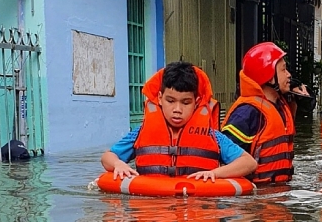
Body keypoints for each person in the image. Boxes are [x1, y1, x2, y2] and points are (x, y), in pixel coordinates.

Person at [101, 61, 257, 182]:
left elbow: (248, 163)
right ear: (160, 98)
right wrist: (118, 164)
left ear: (196, 102)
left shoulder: (212, 136)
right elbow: (107, 157)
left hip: (197, 213)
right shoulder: (140, 133)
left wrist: (215, 173)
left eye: (185, 102)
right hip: (153, 213)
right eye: (170, 100)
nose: (177, 109)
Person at [222, 42, 309, 184]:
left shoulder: (281, 104)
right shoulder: (247, 113)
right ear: (269, 76)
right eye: (283, 70)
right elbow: (225, 157)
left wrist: (298, 97)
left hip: (280, 192)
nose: (289, 75)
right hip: (257, 197)